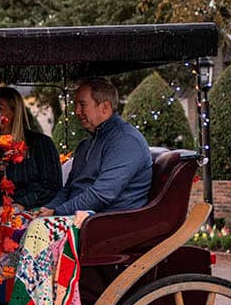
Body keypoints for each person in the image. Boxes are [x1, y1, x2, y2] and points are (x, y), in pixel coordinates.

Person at [38, 77, 152, 218]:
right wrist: (48, 208)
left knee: (33, 230)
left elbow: (101, 194)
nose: (77, 111)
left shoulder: (126, 141)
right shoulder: (85, 145)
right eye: (76, 105)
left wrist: (57, 212)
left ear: (105, 107)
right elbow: (69, 189)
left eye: (83, 104)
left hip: (107, 223)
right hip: (76, 217)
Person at [0, 86, 61, 210]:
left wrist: (19, 205)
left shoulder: (41, 144)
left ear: (15, 113)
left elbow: (51, 187)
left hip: (32, 211)